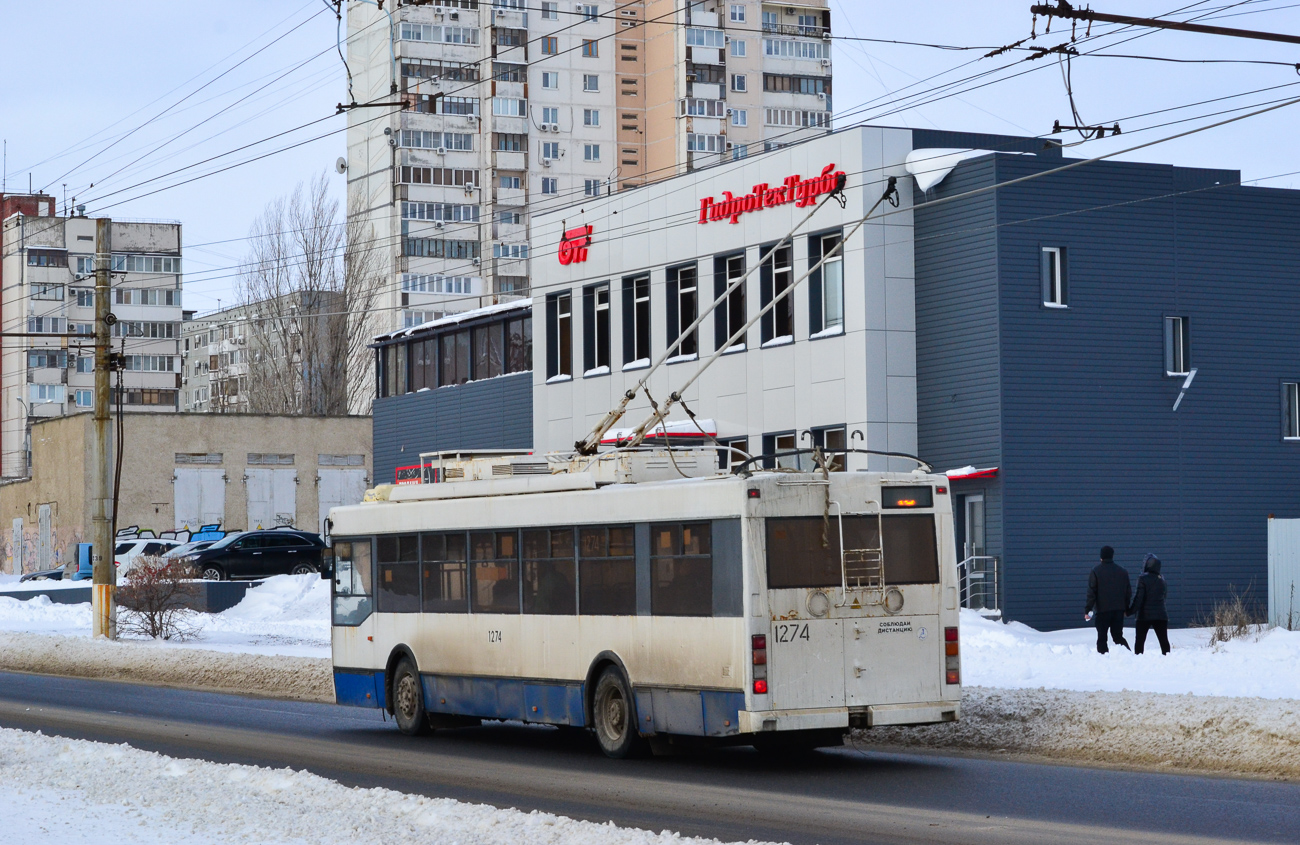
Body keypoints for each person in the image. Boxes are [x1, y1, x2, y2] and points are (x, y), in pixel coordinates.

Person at [1084, 545, 1131, 654]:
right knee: (1118, 637)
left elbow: (1092, 593)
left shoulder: (1096, 571)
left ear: (1101, 557)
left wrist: (1088, 609)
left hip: (1102, 611)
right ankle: (1129, 656)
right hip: (1118, 610)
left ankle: (1103, 659)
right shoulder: (1122, 571)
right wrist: (1126, 608)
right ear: (1112, 556)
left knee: (1102, 638)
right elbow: (1128, 592)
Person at [1129, 553, 1170, 655]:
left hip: (1144, 615)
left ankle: (1138, 662)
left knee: (1140, 642)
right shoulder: (1162, 579)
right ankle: (1168, 660)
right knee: (1164, 641)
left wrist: (1130, 611)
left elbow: (1138, 598)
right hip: (1161, 614)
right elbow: (1164, 596)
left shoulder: (1142, 578)